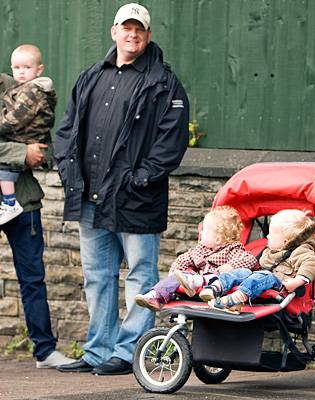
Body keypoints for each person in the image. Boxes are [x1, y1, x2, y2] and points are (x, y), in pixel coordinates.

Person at [53, 3, 189, 375]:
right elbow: (66, 130)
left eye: (139, 30)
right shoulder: (91, 76)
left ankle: (130, 352)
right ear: (114, 31)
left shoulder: (164, 82)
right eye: (126, 28)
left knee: (141, 278)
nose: (132, 35)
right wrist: (68, 171)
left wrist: (140, 177)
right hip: (90, 197)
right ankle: (98, 352)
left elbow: (171, 142)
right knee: (97, 278)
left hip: (136, 198)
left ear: (148, 35)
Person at [0, 112, 74, 368]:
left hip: (24, 204)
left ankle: (45, 351)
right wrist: (21, 152)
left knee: (33, 280)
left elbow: (45, 151)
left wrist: (36, 152)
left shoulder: (22, 93)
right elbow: (27, 152)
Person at [134, 206, 258, 311]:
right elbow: (183, 260)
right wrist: (173, 274)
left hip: (217, 287)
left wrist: (231, 266)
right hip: (195, 286)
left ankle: (186, 284)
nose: (201, 233)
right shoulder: (199, 250)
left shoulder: (233, 250)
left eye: (204, 230)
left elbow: (250, 260)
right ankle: (154, 296)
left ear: (218, 239)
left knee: (228, 275)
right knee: (178, 276)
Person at [203, 209, 315, 314]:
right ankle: (216, 287)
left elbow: (310, 265)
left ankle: (235, 300)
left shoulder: (300, 251)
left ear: (285, 241)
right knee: (242, 272)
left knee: (264, 275)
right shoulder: (271, 250)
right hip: (261, 279)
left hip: (279, 284)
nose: (267, 236)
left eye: (271, 234)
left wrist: (297, 281)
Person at [0, 44, 56, 224]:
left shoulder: (16, 85)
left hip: (24, 199)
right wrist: (22, 153)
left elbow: (44, 143)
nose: (21, 71)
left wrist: (41, 155)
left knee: (29, 252)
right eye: (17, 68)